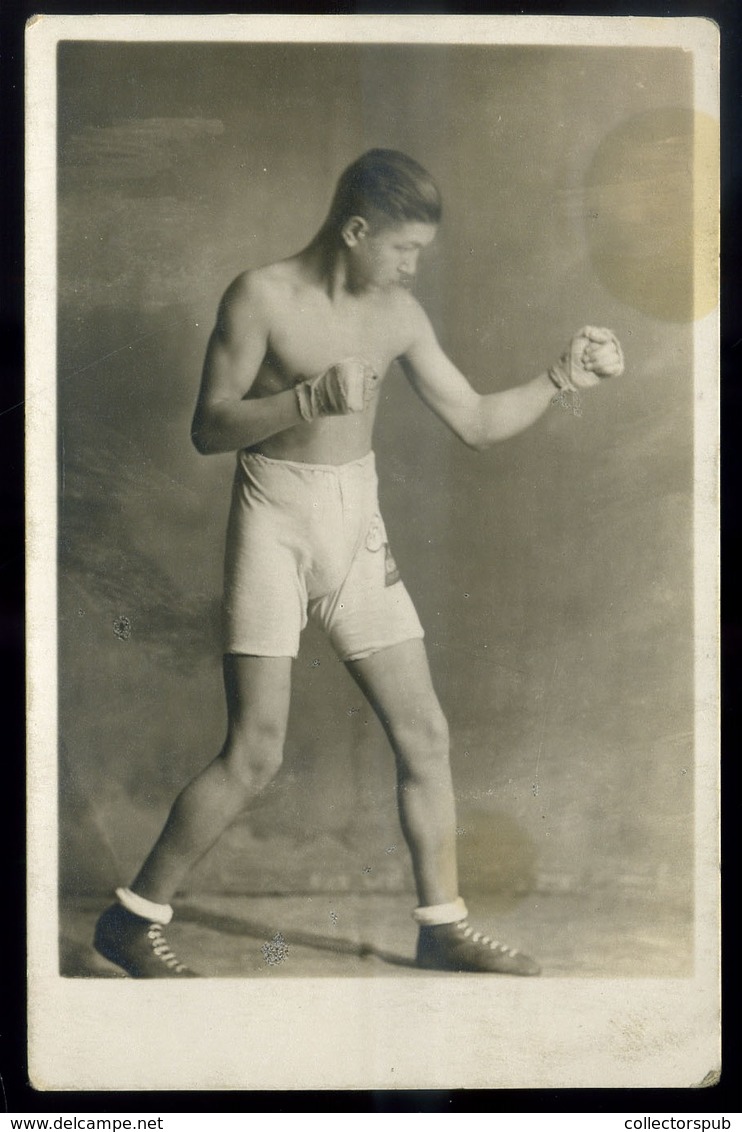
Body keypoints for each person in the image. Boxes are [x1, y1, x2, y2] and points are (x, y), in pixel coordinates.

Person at [93, 149, 624, 978]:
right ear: (356, 229)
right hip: (273, 524)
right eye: (404, 248)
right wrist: (306, 399)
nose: (413, 266)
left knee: (426, 734)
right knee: (255, 752)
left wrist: (564, 377)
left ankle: (441, 924)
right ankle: (132, 920)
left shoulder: (401, 316)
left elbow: (478, 421)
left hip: (357, 531)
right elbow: (207, 429)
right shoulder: (260, 295)